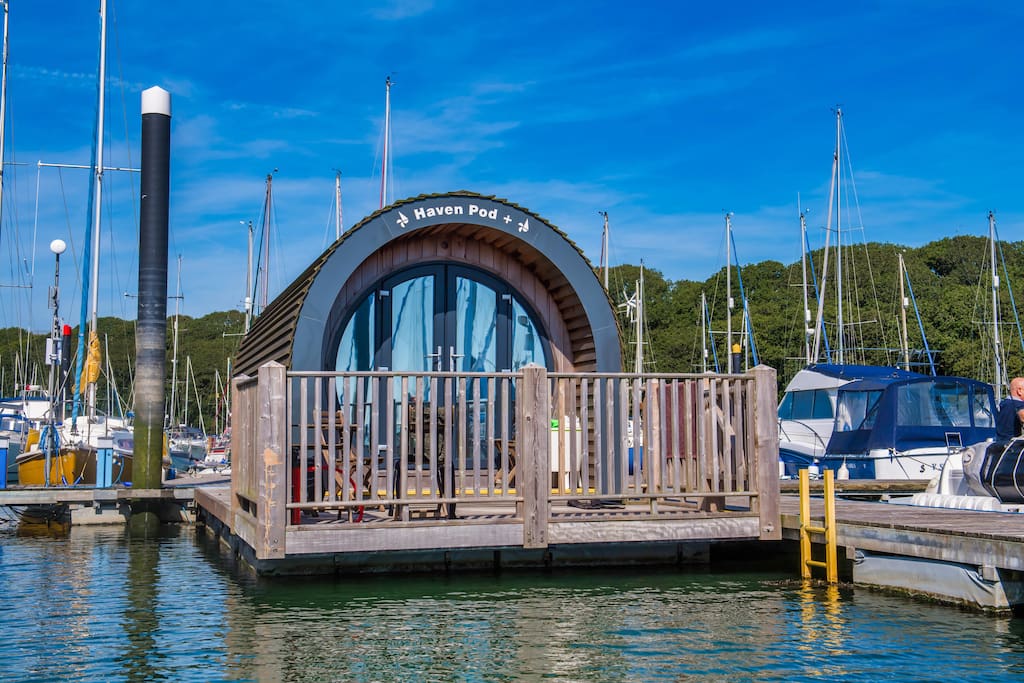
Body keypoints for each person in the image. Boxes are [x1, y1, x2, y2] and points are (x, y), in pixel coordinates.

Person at [995, 377, 1024, 441]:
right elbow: (1022, 414)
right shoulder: (1019, 404)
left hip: (1000, 442)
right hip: (1014, 444)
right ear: (1019, 391)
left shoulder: (1004, 403)